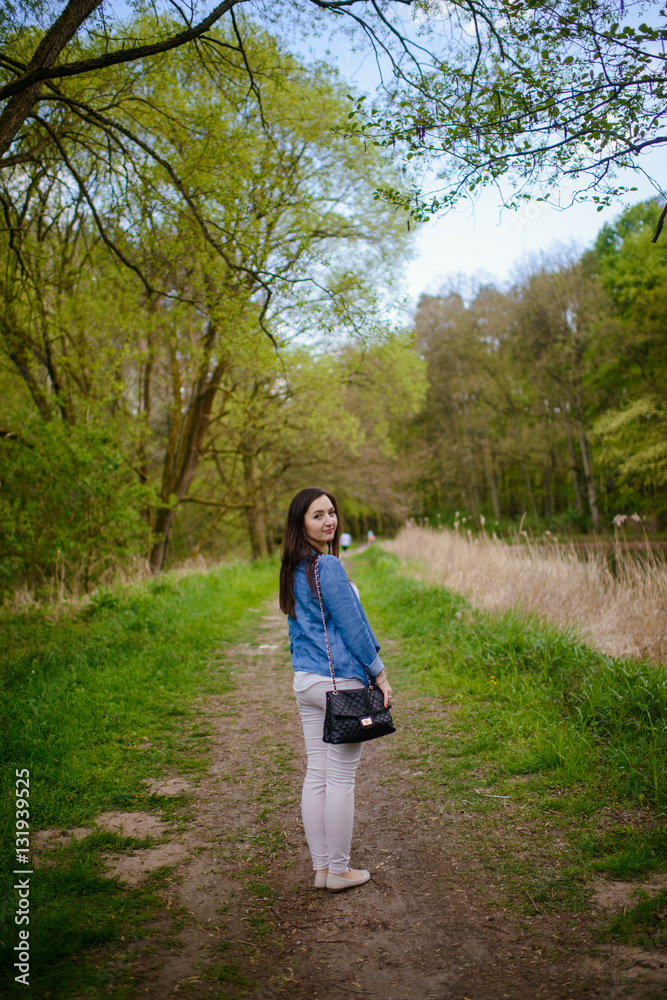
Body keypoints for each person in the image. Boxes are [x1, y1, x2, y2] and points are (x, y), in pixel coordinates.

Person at [279, 487, 393, 893]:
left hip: (306, 682)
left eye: (331, 513)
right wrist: (378, 674)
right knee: (340, 778)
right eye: (317, 515)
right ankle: (338, 870)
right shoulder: (325, 566)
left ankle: (322, 869)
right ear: (301, 523)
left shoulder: (292, 567)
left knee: (317, 774)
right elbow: (354, 627)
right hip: (338, 682)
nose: (329, 521)